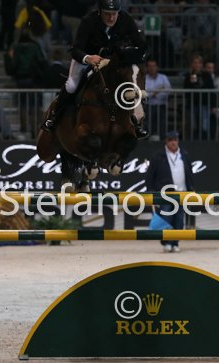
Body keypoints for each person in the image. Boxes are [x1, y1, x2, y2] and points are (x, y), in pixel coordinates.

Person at [42, 0, 147, 137]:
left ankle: (137, 123)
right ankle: (54, 116)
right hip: (88, 58)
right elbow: (76, 50)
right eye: (107, 14)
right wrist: (88, 58)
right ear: (100, 12)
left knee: (132, 82)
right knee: (72, 86)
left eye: (114, 14)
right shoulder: (89, 21)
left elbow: (142, 45)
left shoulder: (126, 20)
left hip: (114, 60)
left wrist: (127, 56)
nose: (111, 18)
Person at [145, 130, 194, 253]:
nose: (173, 142)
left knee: (179, 219)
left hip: (181, 193)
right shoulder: (158, 156)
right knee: (165, 218)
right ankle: (166, 242)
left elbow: (189, 173)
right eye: (170, 140)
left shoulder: (184, 154)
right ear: (166, 141)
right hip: (165, 194)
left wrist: (190, 188)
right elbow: (150, 175)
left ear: (178, 141)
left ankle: (175, 243)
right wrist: (151, 191)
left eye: (175, 140)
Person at [145, 58, 171, 140]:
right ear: (147, 68)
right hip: (149, 105)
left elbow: (168, 90)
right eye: (150, 66)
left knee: (162, 124)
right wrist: (153, 93)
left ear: (157, 67)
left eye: (154, 66)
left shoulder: (163, 77)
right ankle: (147, 141)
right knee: (148, 124)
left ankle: (162, 140)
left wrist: (155, 94)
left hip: (161, 105)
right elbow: (143, 91)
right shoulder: (144, 78)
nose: (152, 68)